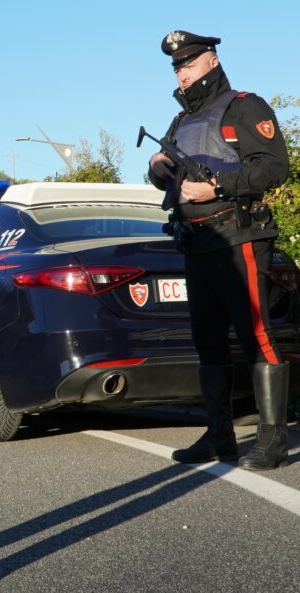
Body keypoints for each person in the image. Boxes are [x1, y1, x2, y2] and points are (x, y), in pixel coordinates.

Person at [148, 31, 290, 471]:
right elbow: (169, 177)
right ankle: (219, 434)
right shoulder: (179, 121)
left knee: (256, 335)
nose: (182, 73)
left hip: (239, 237)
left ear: (211, 61)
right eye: (177, 67)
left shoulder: (244, 106)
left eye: (189, 64)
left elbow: (274, 165)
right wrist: (157, 170)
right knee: (207, 342)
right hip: (197, 244)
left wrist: (217, 187)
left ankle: (273, 439)